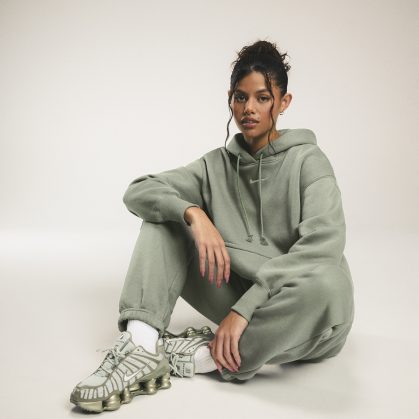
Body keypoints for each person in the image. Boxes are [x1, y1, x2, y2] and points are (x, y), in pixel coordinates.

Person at [70, 39, 355, 413]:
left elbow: (323, 247)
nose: (249, 108)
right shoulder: (215, 166)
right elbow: (139, 190)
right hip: (238, 295)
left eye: (262, 98)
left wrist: (245, 309)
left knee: (330, 283)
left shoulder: (309, 162)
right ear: (230, 100)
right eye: (240, 97)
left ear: (284, 102)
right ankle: (140, 348)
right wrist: (193, 213)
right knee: (165, 217)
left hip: (299, 311)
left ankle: (203, 356)